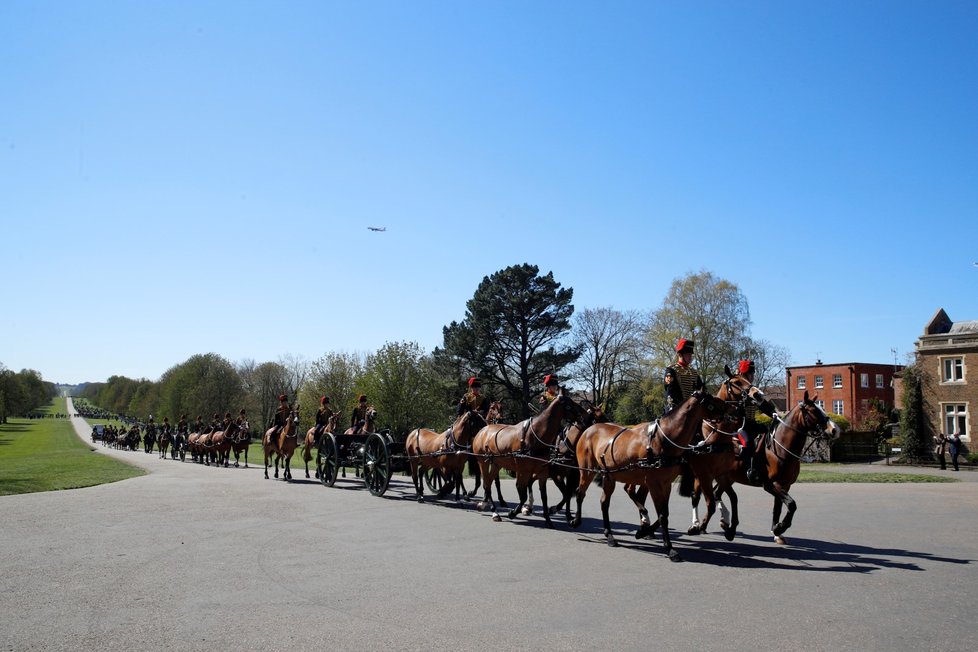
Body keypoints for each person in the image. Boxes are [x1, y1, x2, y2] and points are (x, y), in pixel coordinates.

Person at [733, 359, 777, 483]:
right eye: (750, 374)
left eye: (752, 374)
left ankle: (762, 465)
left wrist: (773, 413)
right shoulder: (737, 390)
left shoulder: (753, 390)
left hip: (751, 424)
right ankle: (745, 469)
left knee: (768, 433)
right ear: (743, 375)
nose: (752, 377)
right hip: (739, 426)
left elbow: (763, 405)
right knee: (747, 443)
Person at [663, 338, 704, 416]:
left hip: (693, 409)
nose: (690, 357)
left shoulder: (694, 372)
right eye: (687, 354)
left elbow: (701, 389)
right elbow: (670, 392)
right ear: (680, 355)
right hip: (676, 410)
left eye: (690, 354)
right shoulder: (671, 370)